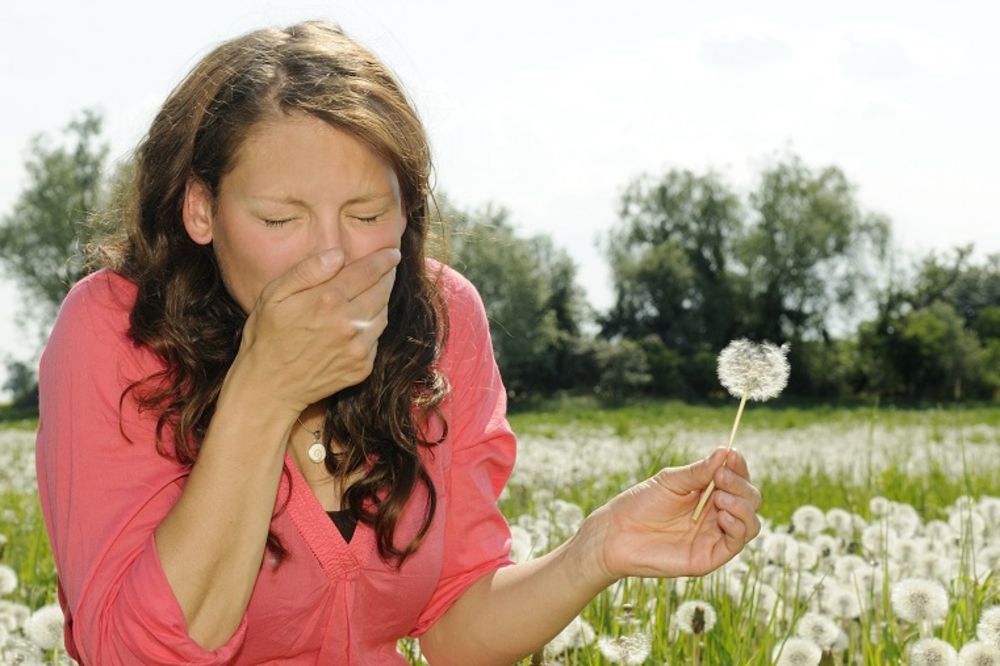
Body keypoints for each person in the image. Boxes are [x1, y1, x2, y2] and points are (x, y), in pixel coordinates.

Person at [35, 20, 762, 666]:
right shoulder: (115, 331)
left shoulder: (442, 319)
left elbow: (454, 626)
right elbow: (136, 652)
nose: (331, 258)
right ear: (201, 209)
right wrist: (264, 392)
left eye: (366, 213)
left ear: (409, 209)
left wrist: (596, 551)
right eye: (280, 220)